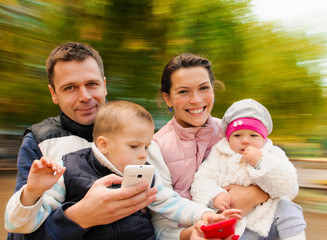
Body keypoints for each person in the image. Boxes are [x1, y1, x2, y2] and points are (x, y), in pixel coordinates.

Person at [6, 100, 242, 239]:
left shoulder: (144, 171)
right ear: (104, 145)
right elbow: (18, 225)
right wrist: (32, 193)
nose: (143, 153)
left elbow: (170, 202)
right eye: (134, 146)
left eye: (147, 146)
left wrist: (203, 214)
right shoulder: (69, 167)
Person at [5, 42, 157, 240]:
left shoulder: (141, 130)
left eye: (92, 84)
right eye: (70, 88)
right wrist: (79, 217)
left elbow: (165, 215)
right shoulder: (39, 143)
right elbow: (18, 234)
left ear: (105, 85)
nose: (85, 97)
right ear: (53, 94)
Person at [146, 53, 304, 240]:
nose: (196, 100)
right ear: (168, 98)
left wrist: (255, 194)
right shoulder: (157, 148)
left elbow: (287, 184)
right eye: (183, 91)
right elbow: (160, 226)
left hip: (255, 225)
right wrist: (192, 234)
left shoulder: (236, 133)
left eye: (203, 88)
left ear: (213, 90)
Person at [191, 99, 306, 239]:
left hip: (269, 214)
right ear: (228, 138)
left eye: (253, 135)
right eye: (237, 135)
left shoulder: (272, 153)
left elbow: (288, 185)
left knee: (288, 208)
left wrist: (261, 161)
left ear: (264, 138)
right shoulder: (219, 154)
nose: (245, 141)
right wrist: (215, 195)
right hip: (238, 222)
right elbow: (201, 180)